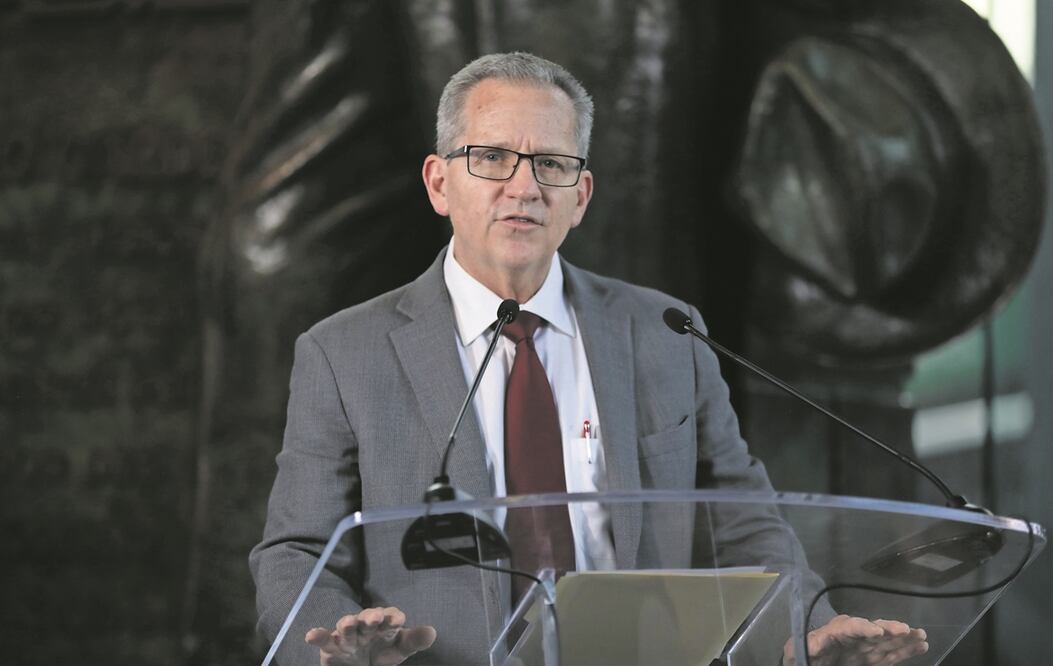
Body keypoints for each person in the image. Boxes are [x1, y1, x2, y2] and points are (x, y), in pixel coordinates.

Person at [251, 52, 929, 665]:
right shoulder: (343, 353)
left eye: (551, 164)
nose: (523, 188)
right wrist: (338, 643)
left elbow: (741, 518)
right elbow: (296, 552)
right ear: (438, 182)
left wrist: (806, 629)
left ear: (580, 196)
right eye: (491, 157)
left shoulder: (666, 331)